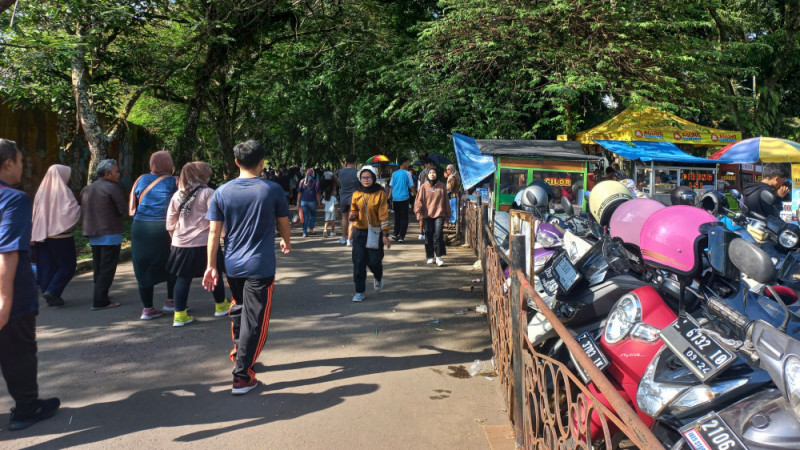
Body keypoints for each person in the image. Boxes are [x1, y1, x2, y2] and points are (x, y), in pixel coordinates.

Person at [202, 139, 291, 395]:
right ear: (262, 162)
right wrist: (286, 241)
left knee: (240, 310)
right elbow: (283, 222)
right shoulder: (271, 189)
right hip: (260, 266)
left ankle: (239, 353)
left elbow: (213, 233)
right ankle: (242, 375)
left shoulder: (222, 191)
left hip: (232, 264)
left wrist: (211, 266)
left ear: (236, 162)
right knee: (257, 320)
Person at [0, 139, 60, 430]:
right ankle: (26, 408)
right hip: (12, 292)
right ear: (8, 163)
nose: (23, 167)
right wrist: (5, 300)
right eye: (21, 161)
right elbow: (7, 251)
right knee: (18, 350)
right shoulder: (13, 199)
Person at [166, 162, 230, 327]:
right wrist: (224, 235)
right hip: (204, 242)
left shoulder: (177, 195)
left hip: (181, 244)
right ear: (201, 175)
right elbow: (216, 218)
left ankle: (179, 315)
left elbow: (170, 223)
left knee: (182, 278)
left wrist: (175, 240)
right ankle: (221, 305)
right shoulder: (208, 193)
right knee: (214, 272)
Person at [129, 151, 178, 320]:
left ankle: (148, 309)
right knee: (173, 263)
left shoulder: (140, 180)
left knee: (143, 266)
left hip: (140, 228)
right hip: (165, 227)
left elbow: (132, 206)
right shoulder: (175, 181)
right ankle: (171, 301)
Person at [31, 165, 80, 307]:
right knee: (68, 265)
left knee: (46, 266)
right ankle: (53, 291)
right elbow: (72, 210)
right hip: (61, 236)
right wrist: (80, 209)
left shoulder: (41, 191)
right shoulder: (64, 191)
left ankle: (49, 294)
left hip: (42, 235)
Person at [81, 159, 126, 310]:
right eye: (116, 171)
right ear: (107, 174)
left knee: (99, 267)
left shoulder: (87, 188)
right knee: (107, 267)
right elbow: (122, 209)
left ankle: (100, 295)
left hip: (93, 233)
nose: (118, 174)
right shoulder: (112, 188)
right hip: (109, 233)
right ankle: (100, 300)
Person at [349, 166, 391, 302]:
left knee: (374, 261)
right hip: (359, 232)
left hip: (375, 231)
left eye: (368, 177)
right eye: (363, 177)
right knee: (359, 262)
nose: (365, 180)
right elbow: (353, 208)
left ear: (373, 178)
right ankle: (359, 291)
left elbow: (383, 213)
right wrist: (353, 215)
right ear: (360, 179)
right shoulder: (356, 193)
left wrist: (385, 234)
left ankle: (378, 276)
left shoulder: (380, 193)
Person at [415, 167, 451, 267]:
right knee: (429, 235)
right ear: (427, 175)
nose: (432, 174)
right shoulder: (423, 187)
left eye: (434, 172)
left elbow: (446, 201)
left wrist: (448, 214)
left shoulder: (442, 186)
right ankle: (430, 256)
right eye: (430, 172)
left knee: (438, 235)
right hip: (427, 215)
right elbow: (418, 201)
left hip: (439, 214)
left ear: (437, 174)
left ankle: (439, 257)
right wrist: (418, 212)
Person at [388, 158, 414, 242]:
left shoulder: (394, 173)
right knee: (404, 218)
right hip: (404, 198)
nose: (408, 164)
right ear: (404, 163)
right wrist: (417, 195)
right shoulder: (407, 173)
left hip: (395, 198)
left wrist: (389, 196)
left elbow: (391, 186)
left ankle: (395, 234)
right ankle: (401, 236)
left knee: (397, 217)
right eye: (408, 162)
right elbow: (411, 185)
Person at [338, 154, 359, 246]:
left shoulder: (340, 172)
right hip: (354, 199)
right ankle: (350, 240)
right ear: (355, 162)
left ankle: (343, 237)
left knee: (344, 218)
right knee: (352, 219)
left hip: (343, 198)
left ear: (345, 162)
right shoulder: (358, 172)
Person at [297, 169, 321, 237]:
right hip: (312, 202)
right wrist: (319, 203)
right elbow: (317, 194)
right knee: (313, 215)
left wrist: (297, 202)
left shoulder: (301, 182)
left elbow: (299, 192)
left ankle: (304, 232)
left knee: (305, 216)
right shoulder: (315, 182)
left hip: (303, 202)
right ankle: (311, 229)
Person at [417, 160, 435, 240]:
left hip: (429, 196)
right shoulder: (424, 173)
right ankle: (421, 233)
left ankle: (427, 232)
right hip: (423, 196)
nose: (431, 165)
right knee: (422, 215)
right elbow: (421, 185)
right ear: (426, 164)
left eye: (432, 164)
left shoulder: (430, 174)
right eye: (430, 164)